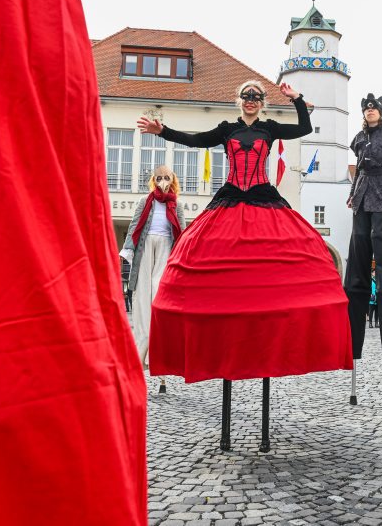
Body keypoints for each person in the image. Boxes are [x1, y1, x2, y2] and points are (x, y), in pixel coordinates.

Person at [138, 80, 353, 447]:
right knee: (202, 257)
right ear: (238, 100)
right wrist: (164, 132)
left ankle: (274, 329)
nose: (251, 101)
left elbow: (302, 128)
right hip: (230, 199)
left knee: (290, 257)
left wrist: (298, 100)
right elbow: (194, 140)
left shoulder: (269, 129)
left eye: (256, 97)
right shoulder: (226, 130)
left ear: (262, 101)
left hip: (265, 200)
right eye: (246, 96)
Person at [120, 165, 187, 392]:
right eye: (158, 177)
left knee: (159, 295)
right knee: (142, 304)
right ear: (153, 180)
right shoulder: (145, 201)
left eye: (166, 177)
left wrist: (184, 259)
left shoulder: (176, 204)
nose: (162, 180)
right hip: (146, 247)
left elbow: (183, 232)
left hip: (166, 247)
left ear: (172, 180)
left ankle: (158, 368)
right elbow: (133, 227)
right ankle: (139, 363)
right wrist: (128, 251)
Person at [345, 93, 382, 366]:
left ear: (380, 111)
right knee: (360, 242)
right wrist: (352, 192)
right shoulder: (359, 136)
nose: (370, 112)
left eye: (373, 109)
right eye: (366, 110)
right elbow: (359, 171)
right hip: (364, 192)